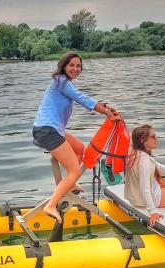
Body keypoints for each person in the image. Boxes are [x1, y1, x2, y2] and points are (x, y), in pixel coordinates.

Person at [33, 51, 121, 223]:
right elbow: (82, 98)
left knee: (80, 149)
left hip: (51, 129)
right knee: (74, 171)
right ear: (64, 66)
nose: (75, 68)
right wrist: (106, 113)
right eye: (71, 65)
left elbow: (82, 97)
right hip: (47, 131)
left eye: (78, 66)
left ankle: (70, 184)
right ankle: (51, 205)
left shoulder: (64, 84)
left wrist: (106, 107)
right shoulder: (60, 81)